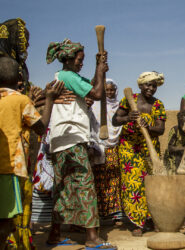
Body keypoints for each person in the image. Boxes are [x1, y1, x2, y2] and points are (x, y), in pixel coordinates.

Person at [45, 38, 116, 249]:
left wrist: (98, 68)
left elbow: (91, 86)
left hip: (60, 140)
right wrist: (101, 72)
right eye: (79, 59)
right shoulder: (68, 76)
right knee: (85, 186)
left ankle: (54, 235)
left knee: (63, 188)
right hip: (73, 138)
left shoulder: (66, 76)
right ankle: (92, 237)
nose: (81, 62)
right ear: (68, 59)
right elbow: (97, 93)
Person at [0, 57, 63, 249]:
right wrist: (50, 99)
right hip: (10, 167)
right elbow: (40, 127)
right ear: (20, 77)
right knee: (5, 220)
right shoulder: (20, 100)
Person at [112, 71, 166, 236]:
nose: (151, 88)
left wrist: (148, 127)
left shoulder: (158, 105)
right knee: (133, 184)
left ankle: (152, 219)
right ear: (140, 85)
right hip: (129, 149)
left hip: (149, 150)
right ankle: (137, 222)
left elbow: (161, 129)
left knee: (151, 184)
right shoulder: (129, 100)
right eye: (147, 85)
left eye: (154, 85)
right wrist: (128, 117)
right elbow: (115, 120)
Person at [91, 79, 123, 222]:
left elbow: (118, 125)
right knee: (98, 180)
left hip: (113, 147)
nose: (109, 93)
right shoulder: (95, 106)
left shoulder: (119, 107)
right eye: (106, 90)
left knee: (113, 179)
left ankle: (113, 212)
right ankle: (99, 212)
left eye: (111, 90)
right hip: (98, 147)